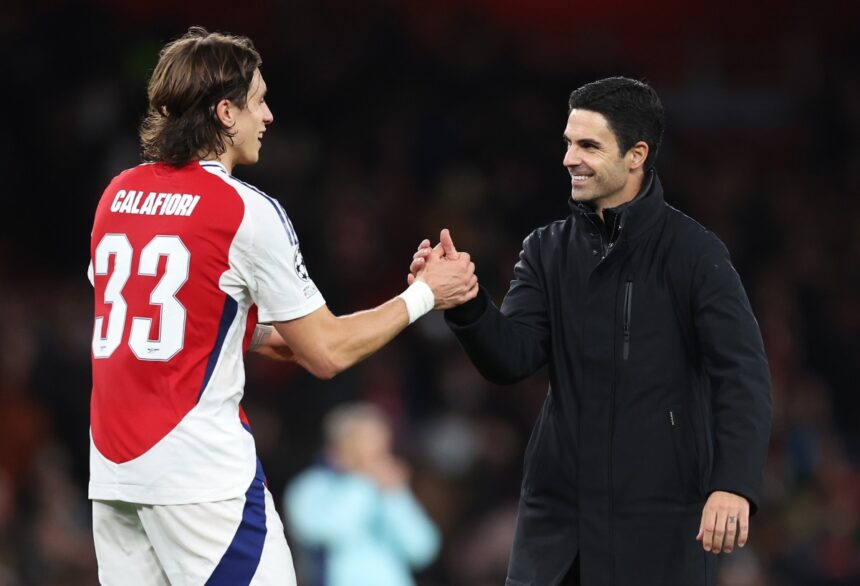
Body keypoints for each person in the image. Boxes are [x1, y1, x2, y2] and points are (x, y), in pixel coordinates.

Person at [87, 27, 476, 586]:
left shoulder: (116, 196)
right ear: (225, 112)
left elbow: (160, 323)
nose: (268, 116)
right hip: (202, 482)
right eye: (259, 100)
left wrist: (265, 337)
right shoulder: (243, 210)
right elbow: (327, 353)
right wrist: (425, 296)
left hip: (114, 478)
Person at [409, 77, 773, 586]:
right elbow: (513, 359)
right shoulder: (546, 250)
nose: (568, 158)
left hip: (659, 523)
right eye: (567, 143)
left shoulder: (694, 253)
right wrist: (468, 303)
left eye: (587, 145)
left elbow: (744, 376)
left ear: (635, 155)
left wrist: (733, 483)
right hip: (558, 523)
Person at [285, 402, 440, 586]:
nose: (377, 454)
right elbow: (330, 529)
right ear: (339, 447)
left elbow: (422, 550)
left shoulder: (387, 488)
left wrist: (396, 497)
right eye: (366, 443)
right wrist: (364, 481)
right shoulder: (309, 487)